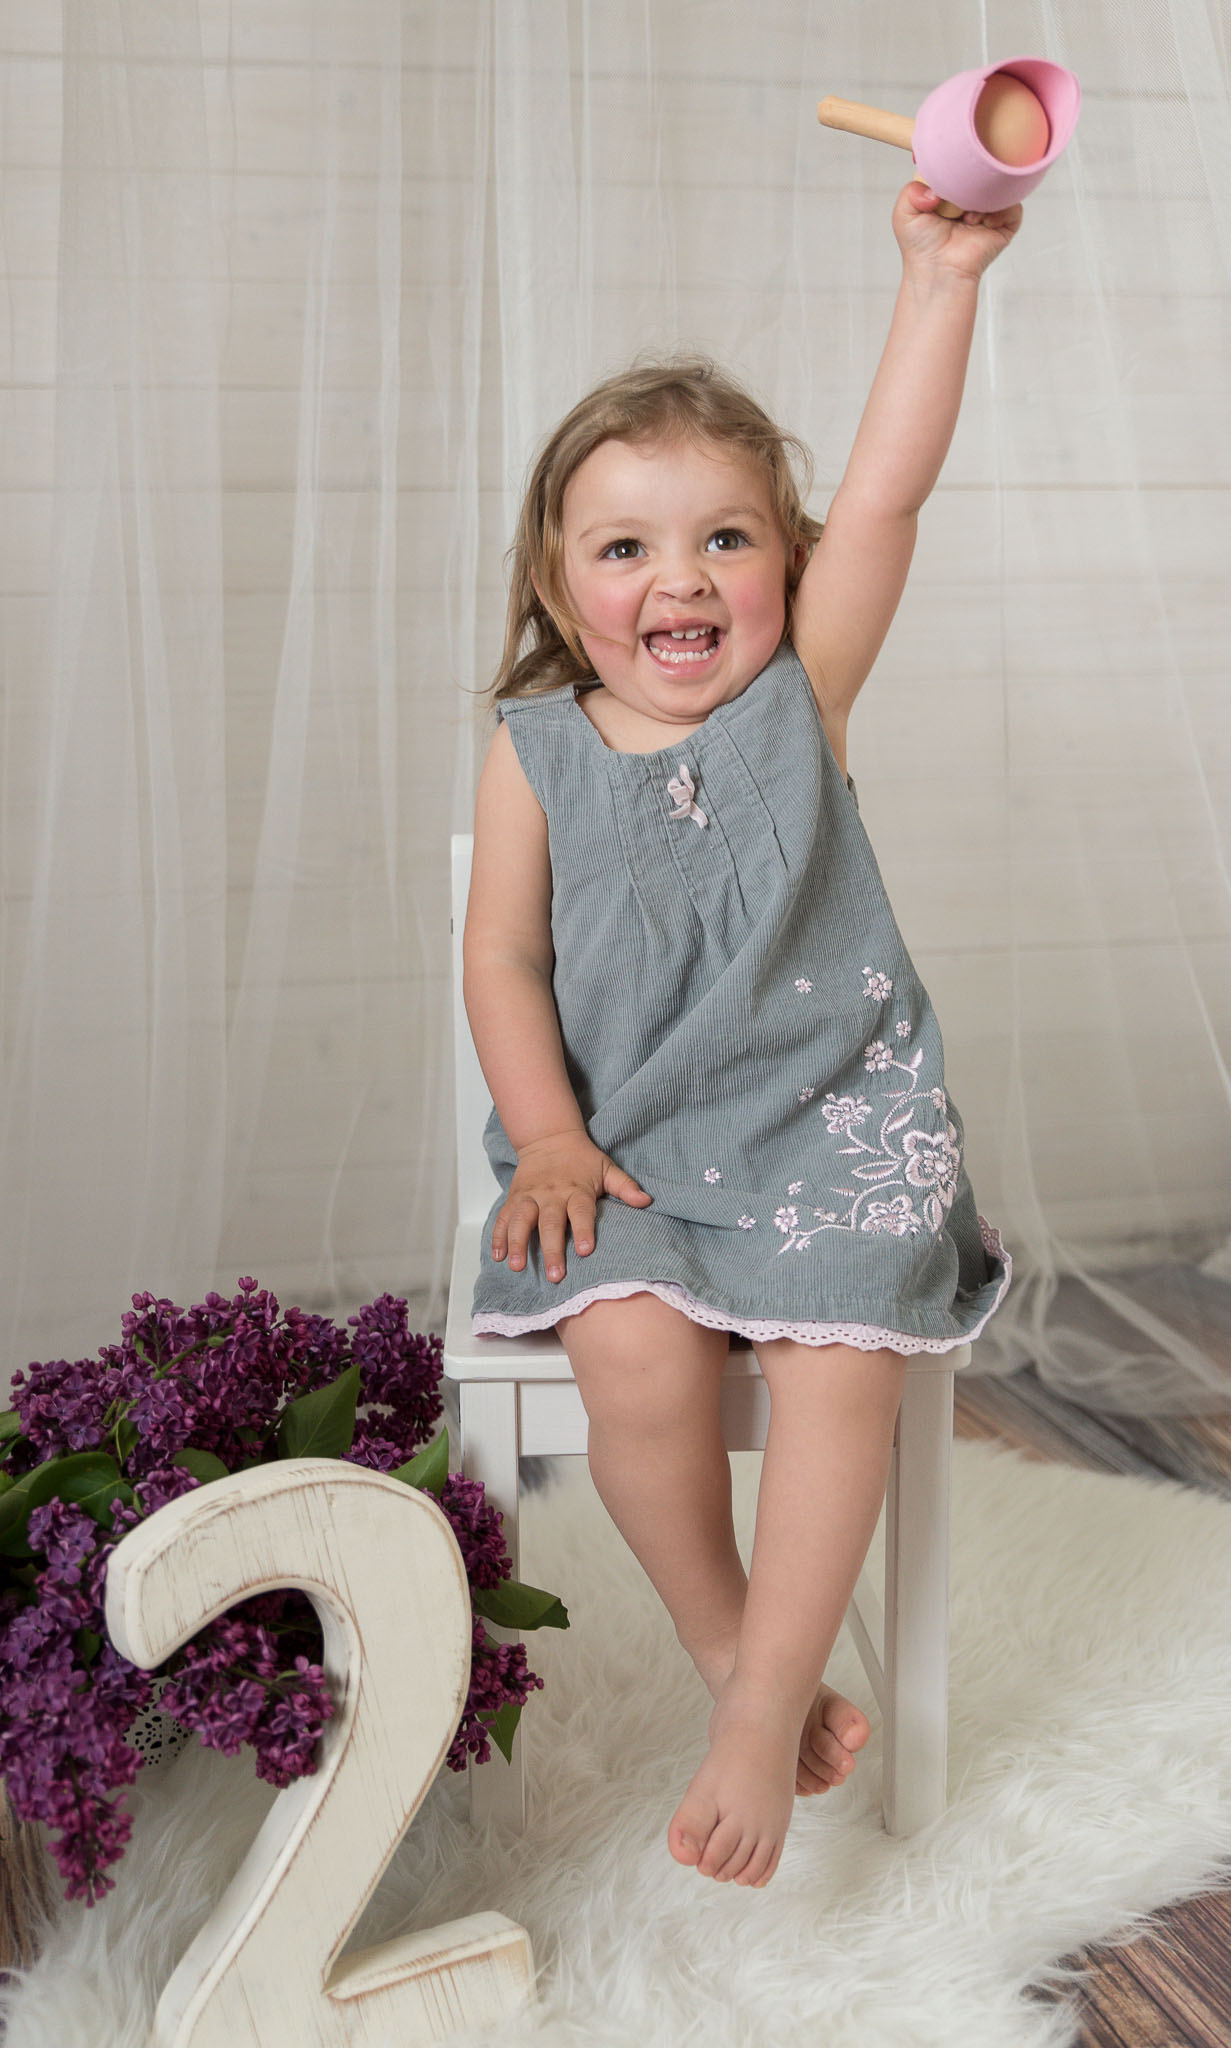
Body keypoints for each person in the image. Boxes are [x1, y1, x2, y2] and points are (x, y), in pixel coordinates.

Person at [462, 180, 1017, 1892]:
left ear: (786, 565)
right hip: (621, 1138)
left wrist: (938, 278)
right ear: (558, 582)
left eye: (726, 538)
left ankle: (768, 1704)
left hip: (829, 1122)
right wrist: (549, 1135)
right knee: (632, 1352)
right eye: (626, 547)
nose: (680, 578)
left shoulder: (800, 705)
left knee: (846, 1355)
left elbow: (892, 491)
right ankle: (739, 1664)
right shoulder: (539, 748)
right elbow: (502, 958)